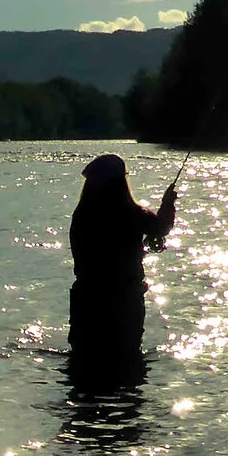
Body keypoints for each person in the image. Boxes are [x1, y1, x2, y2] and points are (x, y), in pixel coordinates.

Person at [68, 153, 176, 364]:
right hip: (125, 298)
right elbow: (161, 227)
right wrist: (168, 203)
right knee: (127, 358)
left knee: (84, 358)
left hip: (87, 297)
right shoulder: (132, 213)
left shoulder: (81, 215)